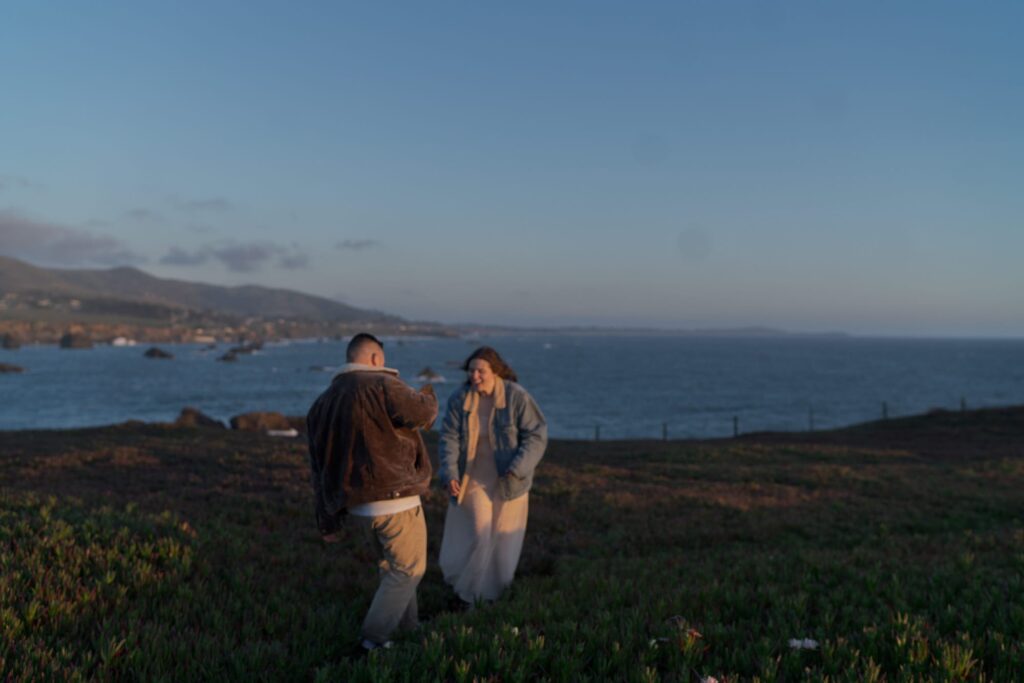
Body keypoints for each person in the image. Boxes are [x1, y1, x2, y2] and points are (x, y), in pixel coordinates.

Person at [306, 333, 438, 651]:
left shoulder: (322, 402)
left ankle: (407, 629)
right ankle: (374, 638)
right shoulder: (382, 384)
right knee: (409, 569)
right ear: (377, 358)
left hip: (358, 506)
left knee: (392, 570)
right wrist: (428, 394)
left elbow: (318, 467)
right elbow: (423, 414)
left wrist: (328, 519)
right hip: (395, 500)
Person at [438, 346, 547, 605]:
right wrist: (450, 472)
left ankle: (494, 595)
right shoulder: (459, 398)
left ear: (495, 371)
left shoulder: (516, 396)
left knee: (502, 541)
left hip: (509, 482)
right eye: (471, 370)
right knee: (480, 533)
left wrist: (518, 467)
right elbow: (449, 438)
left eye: (481, 371)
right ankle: (470, 595)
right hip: (473, 480)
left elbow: (537, 435)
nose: (475, 376)